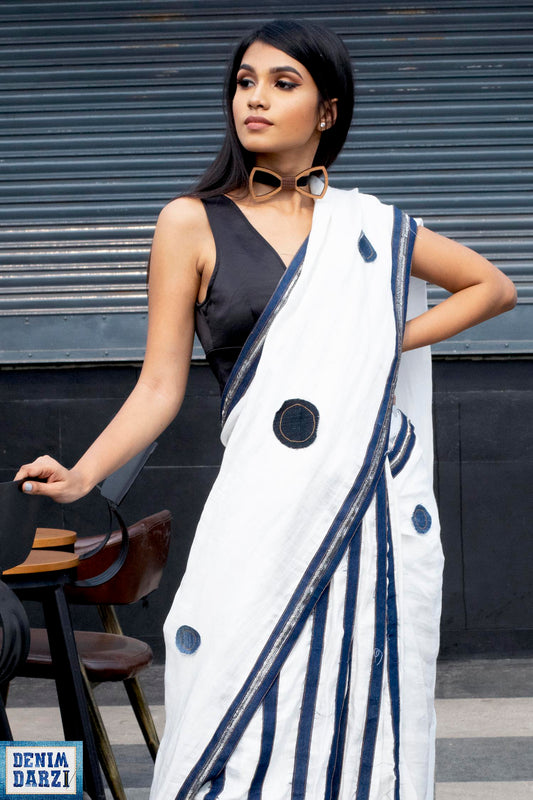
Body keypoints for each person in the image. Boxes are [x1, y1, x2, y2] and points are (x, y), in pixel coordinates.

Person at [16, 19, 516, 800]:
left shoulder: (369, 228)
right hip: (261, 511)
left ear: (326, 112)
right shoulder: (190, 222)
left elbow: (492, 287)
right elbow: (159, 385)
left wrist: (375, 342)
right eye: (245, 80)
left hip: (361, 508)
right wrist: (82, 478)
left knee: (351, 698)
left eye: (283, 83)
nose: (254, 97)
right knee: (229, 687)